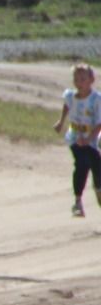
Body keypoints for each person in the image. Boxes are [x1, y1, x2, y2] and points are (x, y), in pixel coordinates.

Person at [53, 61, 101, 218]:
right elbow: (67, 104)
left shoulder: (96, 99)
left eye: (83, 79)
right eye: (76, 79)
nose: (79, 83)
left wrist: (89, 139)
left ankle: (99, 192)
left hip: (93, 139)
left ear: (91, 80)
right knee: (81, 164)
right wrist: (61, 121)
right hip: (75, 137)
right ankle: (78, 201)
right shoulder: (70, 95)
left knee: (97, 169)